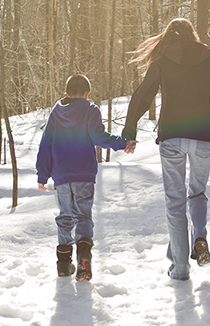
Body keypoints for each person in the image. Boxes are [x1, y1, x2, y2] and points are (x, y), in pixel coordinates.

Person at [122, 18, 210, 281]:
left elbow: (142, 96)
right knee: (197, 193)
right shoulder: (207, 59)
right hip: (203, 137)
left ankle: (180, 269)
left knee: (175, 205)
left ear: (168, 37)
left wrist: (130, 131)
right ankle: (198, 237)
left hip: (172, 139)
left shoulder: (162, 61)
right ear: (192, 35)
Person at [37, 74, 137, 281]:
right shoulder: (90, 110)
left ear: (66, 93)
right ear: (87, 93)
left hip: (61, 175)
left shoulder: (56, 113)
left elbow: (45, 143)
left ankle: (64, 264)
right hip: (84, 173)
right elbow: (98, 136)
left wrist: (42, 174)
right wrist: (122, 143)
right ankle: (84, 256)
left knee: (65, 216)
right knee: (83, 215)